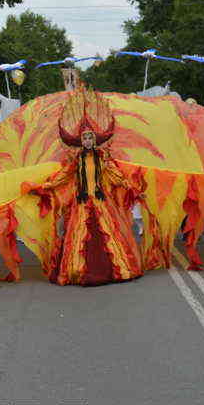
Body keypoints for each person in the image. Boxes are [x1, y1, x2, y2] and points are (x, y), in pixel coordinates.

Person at [24, 88, 143, 286]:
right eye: (85, 138)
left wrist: (131, 187)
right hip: (81, 202)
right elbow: (63, 177)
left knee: (108, 234)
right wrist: (44, 186)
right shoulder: (76, 159)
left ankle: (118, 269)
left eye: (90, 138)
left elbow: (115, 175)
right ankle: (77, 270)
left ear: (94, 139)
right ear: (81, 140)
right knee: (78, 237)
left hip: (100, 201)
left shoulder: (102, 158)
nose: (88, 141)